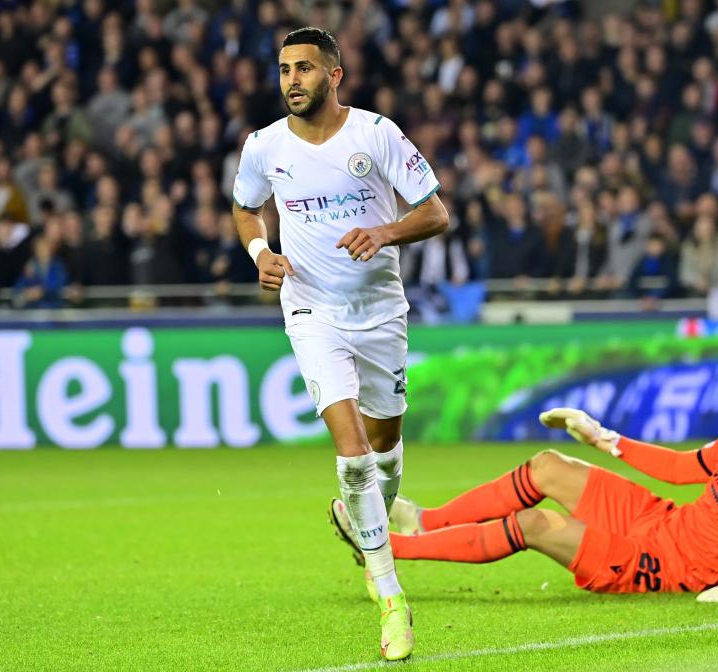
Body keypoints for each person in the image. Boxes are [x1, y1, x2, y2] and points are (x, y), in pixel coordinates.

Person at [231, 27, 448, 661]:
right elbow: (246, 207)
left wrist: (384, 232)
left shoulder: (376, 134)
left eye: (304, 68)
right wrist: (259, 251)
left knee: (385, 457)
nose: (291, 79)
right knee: (353, 456)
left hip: (380, 313)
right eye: (283, 69)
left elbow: (435, 213)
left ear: (335, 76)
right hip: (311, 310)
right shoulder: (263, 146)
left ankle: (363, 522)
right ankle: (392, 599)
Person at [332, 365, 718, 604]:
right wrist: (603, 437)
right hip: (661, 521)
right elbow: (682, 469)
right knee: (548, 465)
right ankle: (425, 521)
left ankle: (385, 549)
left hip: (663, 565)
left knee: (536, 523)